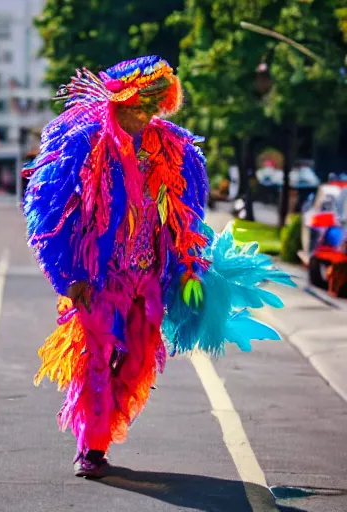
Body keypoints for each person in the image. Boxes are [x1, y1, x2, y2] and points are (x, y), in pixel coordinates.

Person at [22, 56, 294, 478]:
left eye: (151, 106)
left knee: (140, 360)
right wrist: (69, 275)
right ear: (119, 102)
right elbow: (48, 207)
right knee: (96, 359)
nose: (144, 115)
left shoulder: (172, 148)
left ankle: (101, 424)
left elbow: (187, 215)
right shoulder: (87, 143)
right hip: (99, 277)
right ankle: (91, 447)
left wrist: (188, 266)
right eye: (137, 106)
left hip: (147, 277)